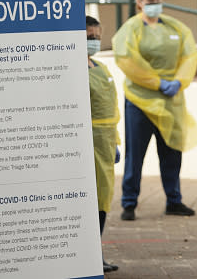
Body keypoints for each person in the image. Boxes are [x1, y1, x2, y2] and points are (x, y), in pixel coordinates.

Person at [112, 0, 197, 220]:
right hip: (140, 101)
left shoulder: (174, 27)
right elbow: (127, 59)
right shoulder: (131, 29)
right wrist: (157, 82)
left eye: (158, 0)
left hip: (170, 100)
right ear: (139, 3)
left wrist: (178, 81)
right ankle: (129, 203)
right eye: (150, 1)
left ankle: (174, 201)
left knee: (172, 153)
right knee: (135, 156)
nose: (155, 5)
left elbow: (189, 53)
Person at [86, 16, 120, 273]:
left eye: (97, 38)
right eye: (88, 38)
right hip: (89, 143)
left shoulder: (100, 67)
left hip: (106, 144)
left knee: (103, 201)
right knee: (90, 202)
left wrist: (115, 142)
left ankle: (96, 253)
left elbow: (111, 108)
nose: (94, 42)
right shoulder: (74, 70)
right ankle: (89, 255)